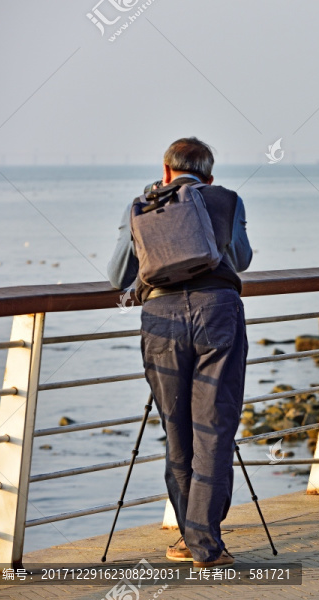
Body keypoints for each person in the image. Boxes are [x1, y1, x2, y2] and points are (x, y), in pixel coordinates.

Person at [108, 137, 253, 567]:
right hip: (217, 313)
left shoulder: (142, 204)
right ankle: (204, 542)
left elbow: (119, 275)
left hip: (162, 320)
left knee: (177, 429)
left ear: (166, 170)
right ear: (209, 176)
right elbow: (240, 259)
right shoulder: (227, 200)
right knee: (215, 428)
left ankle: (192, 540)